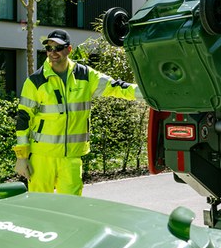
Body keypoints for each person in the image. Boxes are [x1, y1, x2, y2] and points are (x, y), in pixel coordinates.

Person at [13, 29, 141, 195]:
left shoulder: (85, 76)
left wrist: (148, 93)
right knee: (39, 207)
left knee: (71, 208)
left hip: (72, 158)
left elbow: (116, 87)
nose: (53, 53)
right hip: (41, 157)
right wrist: (22, 157)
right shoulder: (35, 81)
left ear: (69, 49)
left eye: (58, 48)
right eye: (49, 48)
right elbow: (23, 119)